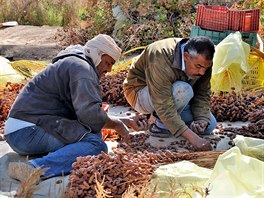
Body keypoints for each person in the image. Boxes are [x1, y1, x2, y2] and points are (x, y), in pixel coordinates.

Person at [4, 34, 147, 182]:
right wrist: (117, 125)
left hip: (24, 129)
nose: (109, 69)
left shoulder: (76, 62)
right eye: (107, 62)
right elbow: (90, 116)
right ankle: (34, 169)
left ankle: (47, 161)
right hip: (27, 132)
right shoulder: (83, 69)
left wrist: (125, 121)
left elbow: (87, 116)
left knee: (93, 135)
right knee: (95, 145)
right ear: (97, 55)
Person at [123, 36, 217, 151]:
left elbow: (202, 93)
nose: (202, 72)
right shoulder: (160, 55)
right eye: (199, 67)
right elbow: (163, 105)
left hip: (173, 95)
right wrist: (194, 139)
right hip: (140, 94)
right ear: (186, 56)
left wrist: (201, 119)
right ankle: (159, 123)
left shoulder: (203, 62)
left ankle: (172, 123)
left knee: (209, 125)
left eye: (206, 68)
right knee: (184, 90)